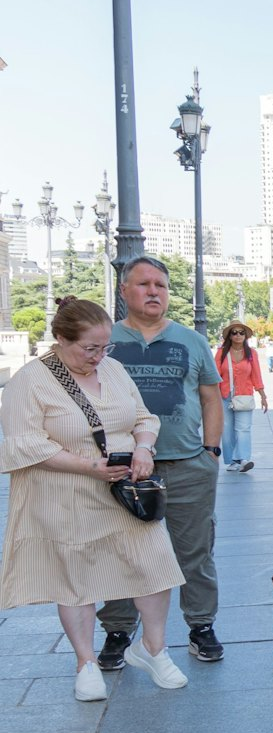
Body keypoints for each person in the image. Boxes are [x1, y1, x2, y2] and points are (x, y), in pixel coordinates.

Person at [1, 297, 186, 700]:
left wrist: (144, 448)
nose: (99, 357)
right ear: (60, 340)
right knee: (76, 579)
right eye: (90, 349)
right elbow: (23, 445)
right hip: (64, 492)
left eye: (106, 347)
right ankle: (85, 663)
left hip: (121, 491)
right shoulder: (30, 381)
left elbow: (143, 417)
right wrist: (88, 467)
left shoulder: (114, 370)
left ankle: (153, 648)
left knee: (155, 562)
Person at [97, 256, 225, 668]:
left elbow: (210, 397)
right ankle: (118, 630)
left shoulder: (191, 340)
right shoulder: (107, 340)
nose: (154, 291)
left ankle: (200, 626)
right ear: (123, 291)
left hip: (188, 463)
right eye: (144, 284)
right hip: (122, 468)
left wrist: (212, 450)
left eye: (161, 285)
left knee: (195, 551)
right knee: (123, 551)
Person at [215, 320, 268, 472]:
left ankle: (243, 459)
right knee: (227, 430)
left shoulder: (251, 353)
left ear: (245, 336)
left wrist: (263, 395)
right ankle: (232, 460)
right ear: (229, 336)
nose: (238, 335)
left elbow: (256, 375)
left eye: (241, 332)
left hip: (244, 396)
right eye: (234, 332)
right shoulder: (222, 353)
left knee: (243, 428)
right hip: (224, 396)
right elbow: (215, 375)